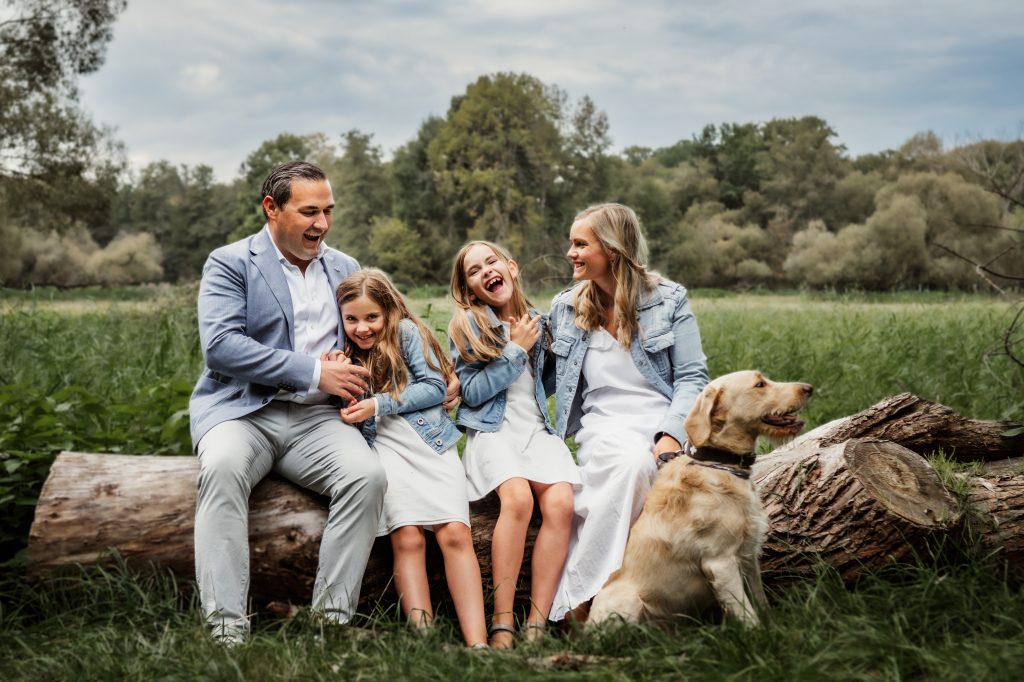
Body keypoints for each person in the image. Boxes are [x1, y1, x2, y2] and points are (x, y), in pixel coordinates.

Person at [189, 161, 388, 644]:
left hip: (319, 419)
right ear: (272, 208)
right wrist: (316, 370)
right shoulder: (230, 262)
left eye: (328, 211)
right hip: (243, 411)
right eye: (309, 211)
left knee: (368, 478)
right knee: (220, 468)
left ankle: (330, 624)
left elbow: (373, 338)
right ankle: (226, 629)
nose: (321, 223)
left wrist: (437, 380)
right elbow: (222, 346)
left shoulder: (345, 268)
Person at [548, 203, 709, 623]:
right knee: (632, 466)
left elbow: (692, 376)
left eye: (581, 244)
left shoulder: (668, 300)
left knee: (645, 465)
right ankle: (590, 594)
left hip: (662, 419)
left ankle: (587, 597)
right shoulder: (565, 307)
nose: (571, 253)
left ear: (613, 250)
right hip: (602, 425)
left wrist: (672, 435)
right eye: (572, 243)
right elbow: (542, 377)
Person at [336, 268, 488, 648]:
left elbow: (435, 388)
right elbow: (350, 410)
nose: (362, 328)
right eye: (352, 319)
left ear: (388, 310)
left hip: (428, 443)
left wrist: (378, 403)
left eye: (371, 317)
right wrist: (342, 380)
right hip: (384, 450)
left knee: (455, 533)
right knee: (407, 538)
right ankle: (425, 640)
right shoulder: (346, 350)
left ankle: (479, 642)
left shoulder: (406, 332)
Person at [448, 241, 580, 648]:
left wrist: (556, 352)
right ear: (470, 290)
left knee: (561, 503)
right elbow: (470, 394)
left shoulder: (540, 322)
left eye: (491, 262)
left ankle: (538, 620)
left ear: (511, 267)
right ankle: (503, 620)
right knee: (519, 499)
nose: (486, 271)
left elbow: (547, 384)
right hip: (492, 431)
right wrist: (514, 351)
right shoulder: (469, 327)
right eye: (474, 271)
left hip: (535, 429)